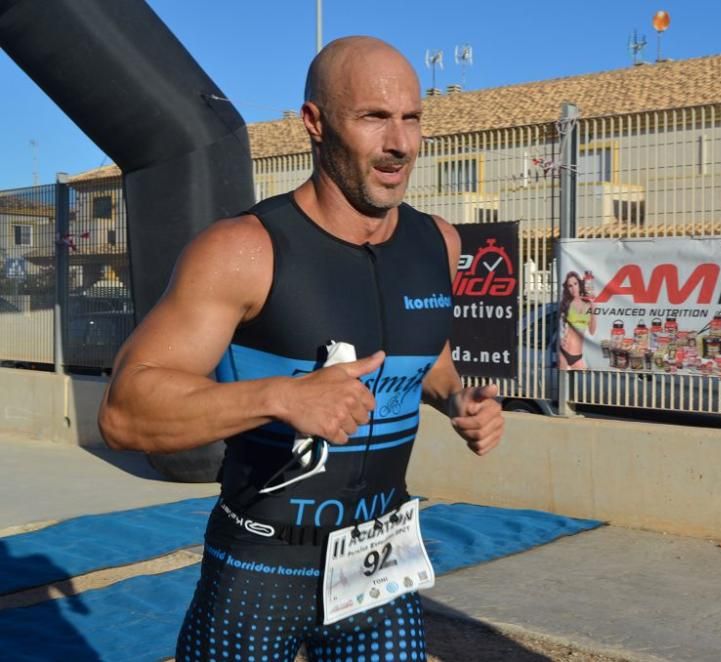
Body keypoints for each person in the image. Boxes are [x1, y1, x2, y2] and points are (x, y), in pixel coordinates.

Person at [98, 36, 504, 661]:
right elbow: (125, 412)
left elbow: (426, 354)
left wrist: (456, 396)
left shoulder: (438, 244)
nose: (400, 143)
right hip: (262, 570)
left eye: (411, 118)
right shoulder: (244, 250)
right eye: (373, 117)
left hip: (379, 564)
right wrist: (281, 397)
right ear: (314, 124)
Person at [558, 271, 596, 370]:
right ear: (567, 288)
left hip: (577, 356)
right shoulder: (567, 304)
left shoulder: (588, 304)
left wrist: (593, 308)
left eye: (575, 284)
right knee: (562, 385)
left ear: (579, 284)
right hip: (564, 352)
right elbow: (561, 325)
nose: (573, 288)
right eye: (570, 286)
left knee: (584, 384)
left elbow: (592, 331)